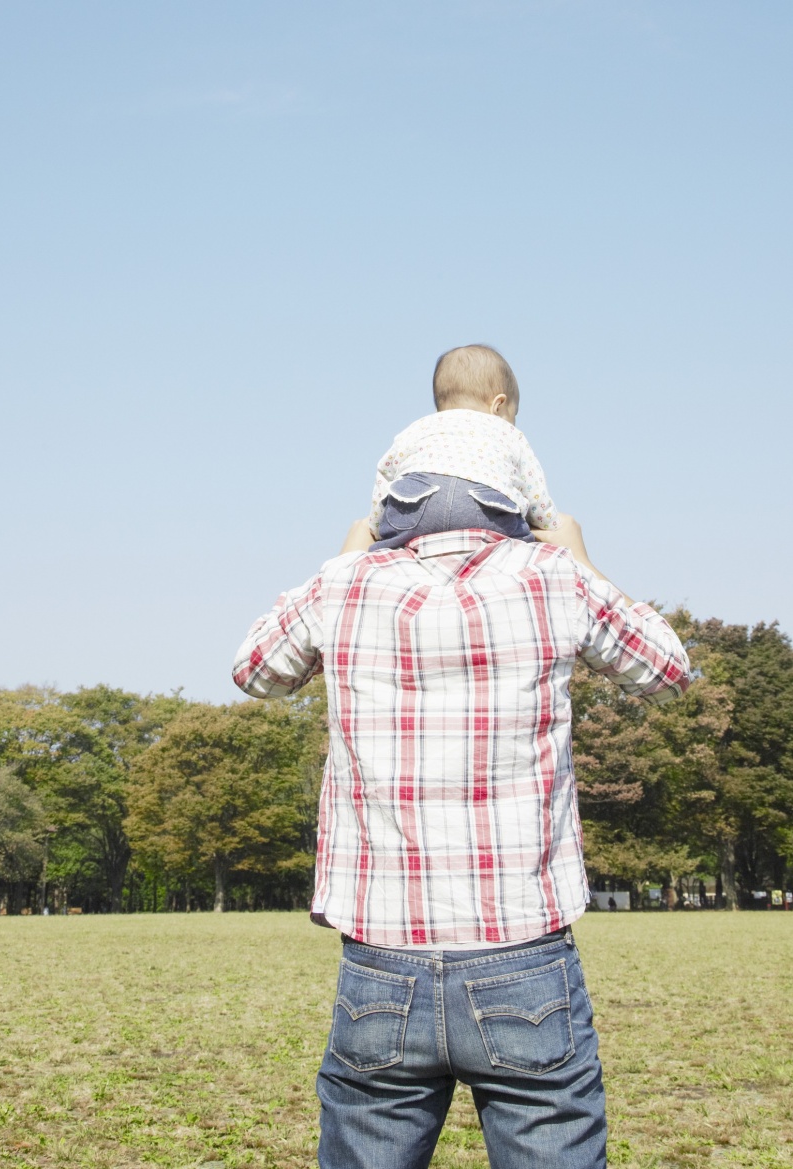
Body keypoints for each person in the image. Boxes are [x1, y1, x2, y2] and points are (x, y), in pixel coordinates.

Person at [233, 513, 691, 1169]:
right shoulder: (554, 576)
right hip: (523, 952)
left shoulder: (348, 583)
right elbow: (667, 665)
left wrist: (340, 562)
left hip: (383, 962)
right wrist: (583, 560)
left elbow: (254, 668)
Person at [369, 343, 559, 549]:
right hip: (484, 510)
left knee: (386, 549)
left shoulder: (415, 429)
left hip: (415, 507)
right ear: (499, 405)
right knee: (525, 547)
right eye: (514, 414)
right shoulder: (510, 433)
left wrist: (377, 526)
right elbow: (535, 492)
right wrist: (549, 524)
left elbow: (385, 477)